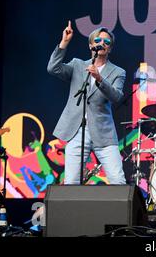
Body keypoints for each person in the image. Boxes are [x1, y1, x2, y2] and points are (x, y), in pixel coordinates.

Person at [47, 21, 126, 185]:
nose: (101, 43)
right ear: (91, 45)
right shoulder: (77, 65)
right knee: (71, 183)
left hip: (103, 132)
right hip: (76, 131)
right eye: (97, 41)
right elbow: (53, 68)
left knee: (117, 180)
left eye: (106, 42)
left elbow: (117, 97)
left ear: (110, 48)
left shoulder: (118, 72)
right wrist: (64, 42)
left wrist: (99, 78)